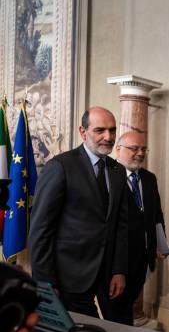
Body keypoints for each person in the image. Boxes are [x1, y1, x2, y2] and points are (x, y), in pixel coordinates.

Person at [29, 107, 128, 318]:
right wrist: (45, 284)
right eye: (100, 130)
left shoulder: (117, 170)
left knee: (117, 331)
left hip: (107, 275)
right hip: (68, 277)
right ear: (83, 132)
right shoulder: (60, 167)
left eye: (112, 130)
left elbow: (120, 224)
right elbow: (40, 230)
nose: (108, 137)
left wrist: (119, 270)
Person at [112, 131, 166, 325]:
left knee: (128, 306)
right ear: (118, 149)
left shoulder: (149, 178)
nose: (140, 153)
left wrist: (160, 243)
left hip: (142, 258)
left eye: (143, 149)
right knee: (117, 312)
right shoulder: (108, 175)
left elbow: (156, 215)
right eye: (134, 148)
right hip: (116, 260)